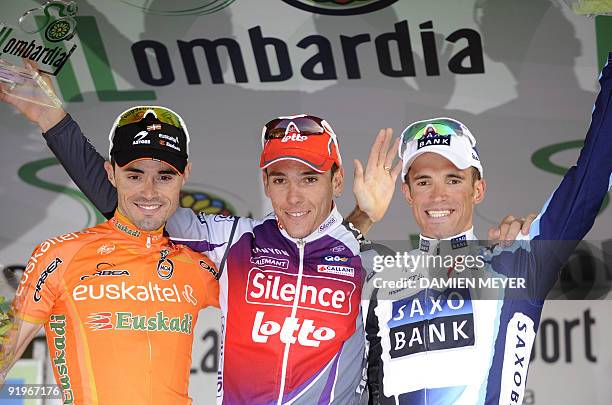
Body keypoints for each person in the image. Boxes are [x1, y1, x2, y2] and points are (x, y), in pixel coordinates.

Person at [0, 69, 527, 404]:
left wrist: (503, 247)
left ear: (336, 181)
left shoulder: (365, 257)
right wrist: (50, 116)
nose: (294, 196)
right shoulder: (230, 242)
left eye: (309, 178)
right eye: (280, 179)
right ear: (265, 184)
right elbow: (134, 201)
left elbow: (454, 284)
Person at [362, 54, 612, 404]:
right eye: (423, 182)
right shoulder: (379, 279)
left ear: (477, 189)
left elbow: (588, 184)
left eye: (453, 179)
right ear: (407, 193)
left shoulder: (517, 262)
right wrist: (363, 215)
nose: (437, 196)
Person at [0, 106, 220, 404]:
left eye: (165, 177)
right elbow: (6, 352)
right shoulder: (60, 255)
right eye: (134, 176)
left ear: (185, 176)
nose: (149, 191)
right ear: (110, 173)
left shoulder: (198, 266)